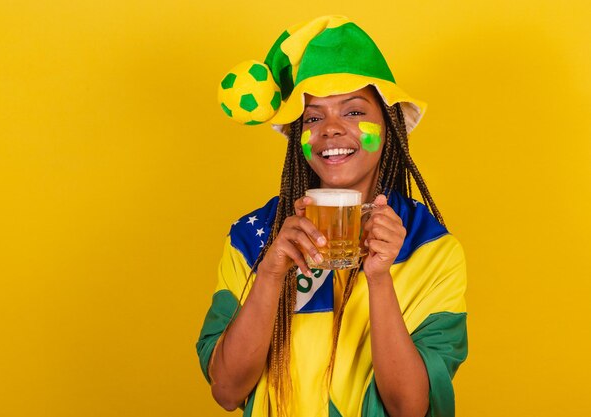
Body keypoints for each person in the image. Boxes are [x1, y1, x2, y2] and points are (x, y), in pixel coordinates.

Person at [197, 15, 467, 417]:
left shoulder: (431, 248)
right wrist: (270, 274)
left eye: (355, 112)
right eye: (313, 117)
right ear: (299, 137)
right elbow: (227, 391)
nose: (331, 130)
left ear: (389, 126)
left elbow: (410, 408)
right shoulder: (252, 238)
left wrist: (379, 278)